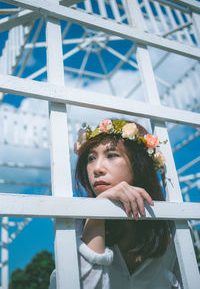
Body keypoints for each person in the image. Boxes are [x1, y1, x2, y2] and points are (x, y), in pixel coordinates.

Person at [49, 119, 181, 289]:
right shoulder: (75, 223)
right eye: (90, 158)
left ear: (139, 164)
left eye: (111, 155)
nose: (97, 168)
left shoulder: (171, 227)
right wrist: (97, 214)